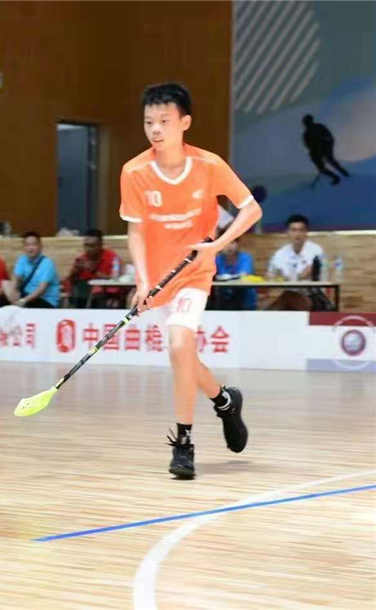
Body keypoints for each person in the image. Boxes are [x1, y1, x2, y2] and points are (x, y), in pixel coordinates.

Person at [120, 83, 262, 479]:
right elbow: (135, 232)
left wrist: (216, 245)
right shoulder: (134, 172)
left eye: (164, 121)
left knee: (180, 344)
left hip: (194, 274)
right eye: (149, 122)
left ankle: (183, 443)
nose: (155, 129)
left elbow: (251, 209)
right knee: (184, 355)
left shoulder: (209, 165)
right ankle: (225, 401)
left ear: (185, 123)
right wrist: (143, 281)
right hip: (157, 281)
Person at [266, 213, 325, 311]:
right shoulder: (280, 254)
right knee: (285, 298)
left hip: (312, 297)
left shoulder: (316, 251)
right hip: (287, 295)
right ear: (287, 232)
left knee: (286, 299)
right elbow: (270, 276)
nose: (297, 234)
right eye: (293, 230)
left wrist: (284, 278)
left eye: (301, 230)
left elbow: (306, 274)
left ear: (306, 233)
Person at [64, 229, 122, 308]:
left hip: (105, 294)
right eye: (86, 245)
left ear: (100, 245)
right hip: (83, 294)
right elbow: (70, 281)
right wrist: (74, 272)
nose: (88, 249)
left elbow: (116, 279)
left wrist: (93, 271)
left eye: (92, 246)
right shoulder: (81, 259)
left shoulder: (112, 258)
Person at [4, 232, 60, 308]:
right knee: (4, 290)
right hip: (27, 296)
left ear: (40, 246)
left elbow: (41, 289)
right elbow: (16, 278)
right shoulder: (22, 259)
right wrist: (13, 291)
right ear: (24, 247)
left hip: (45, 300)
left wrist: (23, 301)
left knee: (21, 305)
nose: (30, 248)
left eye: (34, 244)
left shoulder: (47, 263)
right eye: (27, 245)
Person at [212, 233, 257, 310]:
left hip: (245, 300)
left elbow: (244, 275)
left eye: (232, 243)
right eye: (225, 243)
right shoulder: (217, 259)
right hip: (223, 301)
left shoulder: (246, 258)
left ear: (238, 244)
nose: (229, 246)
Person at [302, 115, 350, 186]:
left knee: (327, 164)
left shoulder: (315, 129)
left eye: (306, 122)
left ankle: (340, 176)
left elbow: (329, 138)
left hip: (324, 149)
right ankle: (341, 175)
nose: (305, 124)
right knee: (328, 163)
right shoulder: (309, 132)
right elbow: (309, 146)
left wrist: (325, 148)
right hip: (320, 151)